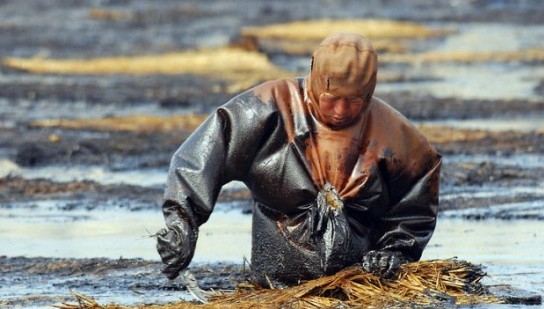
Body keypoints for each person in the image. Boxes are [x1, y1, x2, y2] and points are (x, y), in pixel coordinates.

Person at [156, 32, 442, 288]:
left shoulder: (397, 138)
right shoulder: (267, 110)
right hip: (274, 286)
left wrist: (396, 252)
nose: (341, 110)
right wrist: (182, 222)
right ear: (314, 79)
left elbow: (416, 204)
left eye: (354, 100)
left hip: (360, 287)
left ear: (370, 93)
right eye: (331, 98)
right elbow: (201, 157)